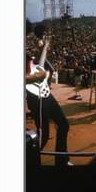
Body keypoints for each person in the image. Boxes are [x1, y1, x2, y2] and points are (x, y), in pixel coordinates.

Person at [25, 36, 70, 167]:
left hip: (48, 97)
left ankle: (62, 161)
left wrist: (44, 47)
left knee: (64, 124)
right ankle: (30, 162)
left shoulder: (31, 60)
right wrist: (40, 76)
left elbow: (40, 63)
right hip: (37, 100)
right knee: (43, 137)